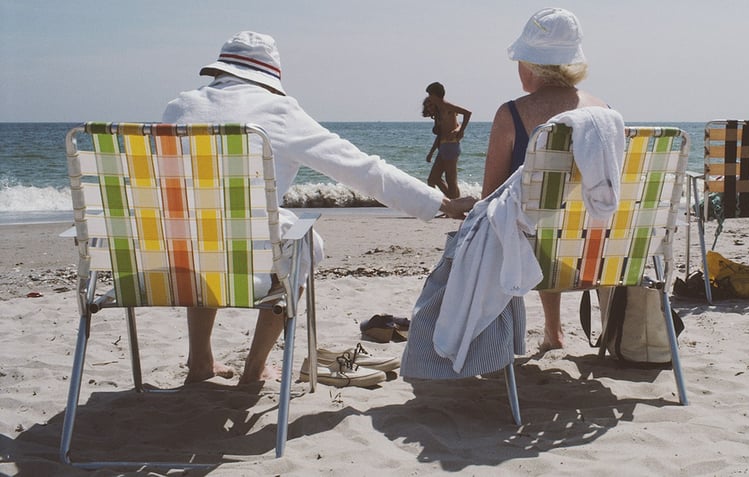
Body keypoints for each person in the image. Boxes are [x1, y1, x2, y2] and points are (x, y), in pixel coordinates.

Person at [162, 31, 475, 385]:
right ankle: (254, 369)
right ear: (269, 76)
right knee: (302, 244)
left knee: (200, 224)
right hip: (246, 259)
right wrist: (441, 202)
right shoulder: (277, 112)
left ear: (220, 71)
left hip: (177, 261)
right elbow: (362, 169)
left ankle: (200, 361)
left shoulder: (179, 108)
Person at [481, 8, 608, 352]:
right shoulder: (605, 115)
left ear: (529, 63)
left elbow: (489, 200)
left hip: (534, 257)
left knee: (531, 222)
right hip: (602, 255)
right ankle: (562, 331)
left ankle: (545, 333)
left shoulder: (511, 115)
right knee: (559, 220)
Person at [423, 82, 471, 199]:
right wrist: (431, 152)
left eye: (430, 95)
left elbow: (467, 113)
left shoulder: (447, 106)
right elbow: (439, 135)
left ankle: (453, 205)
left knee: (451, 180)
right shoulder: (438, 112)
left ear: (436, 95)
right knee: (433, 180)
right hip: (442, 147)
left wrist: (460, 131)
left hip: (451, 146)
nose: (429, 97)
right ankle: (448, 203)